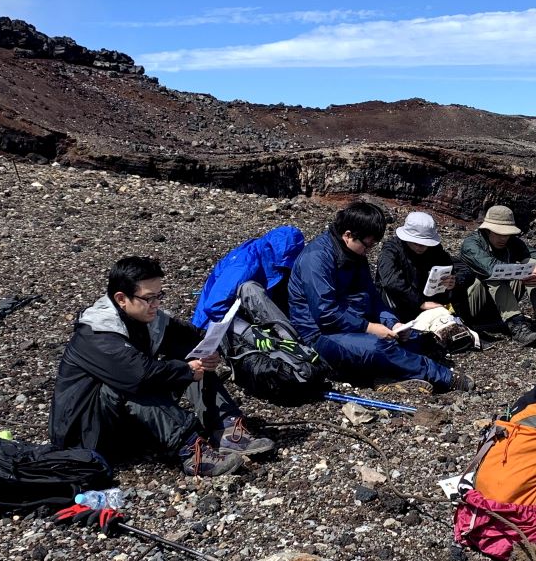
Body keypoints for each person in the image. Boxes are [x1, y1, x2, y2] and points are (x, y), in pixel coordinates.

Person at [50, 256, 276, 477]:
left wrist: (209, 351)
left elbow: (190, 337)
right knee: (133, 382)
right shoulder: (97, 333)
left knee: (190, 354)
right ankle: (190, 449)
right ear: (121, 299)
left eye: (159, 296)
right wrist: (188, 371)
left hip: (124, 424)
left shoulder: (146, 317)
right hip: (86, 435)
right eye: (149, 298)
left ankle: (226, 428)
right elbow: (140, 375)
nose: (156, 304)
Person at [289, 200, 474, 394]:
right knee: (379, 347)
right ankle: (445, 378)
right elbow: (325, 313)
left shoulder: (354, 253)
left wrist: (393, 323)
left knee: (416, 340)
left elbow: (373, 297)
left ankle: (387, 376)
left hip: (353, 323)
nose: (369, 251)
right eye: (367, 246)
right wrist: (369, 328)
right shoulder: (317, 258)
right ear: (348, 235)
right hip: (319, 336)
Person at [458, 205, 536, 345]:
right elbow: (491, 268)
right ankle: (516, 325)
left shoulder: (512, 243)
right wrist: (525, 270)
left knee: (532, 264)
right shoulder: (471, 245)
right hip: (471, 306)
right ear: (487, 231)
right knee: (497, 276)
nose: (503, 238)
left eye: (506, 234)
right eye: (499, 233)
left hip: (496, 307)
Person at [189, 225, 304, 339]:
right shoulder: (245, 263)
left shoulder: (272, 260)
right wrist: (250, 332)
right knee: (249, 287)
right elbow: (214, 306)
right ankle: (290, 338)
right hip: (211, 327)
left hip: (244, 316)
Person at [374, 211, 460, 323]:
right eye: (416, 243)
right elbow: (391, 281)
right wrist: (420, 303)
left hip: (427, 299)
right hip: (398, 303)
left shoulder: (435, 250)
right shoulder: (391, 250)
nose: (421, 247)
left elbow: (458, 267)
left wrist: (454, 281)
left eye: (425, 244)